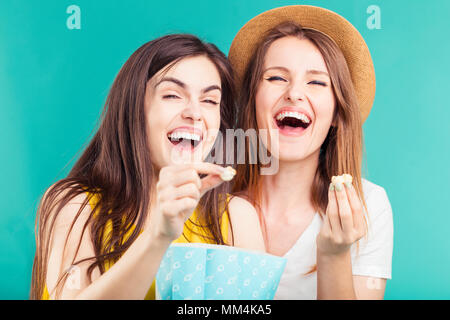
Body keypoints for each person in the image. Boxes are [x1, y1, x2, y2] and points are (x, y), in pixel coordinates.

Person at [30, 34, 265, 300]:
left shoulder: (237, 217)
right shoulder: (74, 205)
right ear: (133, 109)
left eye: (210, 101)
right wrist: (159, 235)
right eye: (173, 95)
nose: (195, 113)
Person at [229, 5, 394, 299]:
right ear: (253, 99)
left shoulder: (370, 206)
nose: (294, 93)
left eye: (317, 82)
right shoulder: (210, 197)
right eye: (277, 78)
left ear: (335, 114)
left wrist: (333, 255)